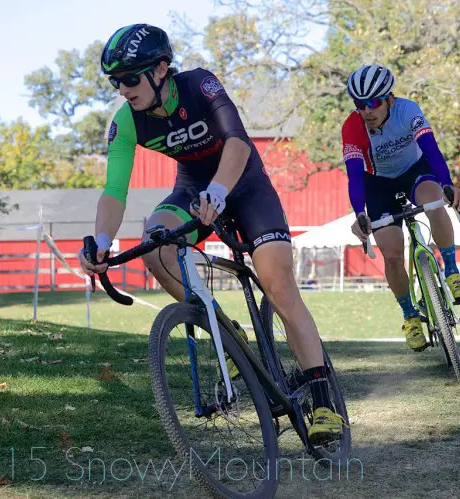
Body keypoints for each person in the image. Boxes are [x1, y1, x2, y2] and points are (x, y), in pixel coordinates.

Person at [78, 24, 343, 444]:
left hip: (245, 184)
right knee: (155, 245)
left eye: (129, 78)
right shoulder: (126, 122)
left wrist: (219, 192)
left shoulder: (199, 83)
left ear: (161, 69)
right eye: (114, 81)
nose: (122, 89)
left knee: (279, 284)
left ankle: (323, 397)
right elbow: (114, 191)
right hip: (192, 190)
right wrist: (102, 242)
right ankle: (226, 329)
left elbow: (237, 142)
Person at [341, 64, 460, 351]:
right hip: (377, 184)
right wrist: (359, 213)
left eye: (374, 103)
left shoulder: (407, 110)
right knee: (390, 254)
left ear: (389, 98)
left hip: (415, 170)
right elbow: (354, 174)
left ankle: (451, 271)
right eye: (360, 105)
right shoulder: (353, 127)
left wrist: (447, 183)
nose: (367, 111)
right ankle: (410, 316)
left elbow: (430, 147)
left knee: (433, 201)